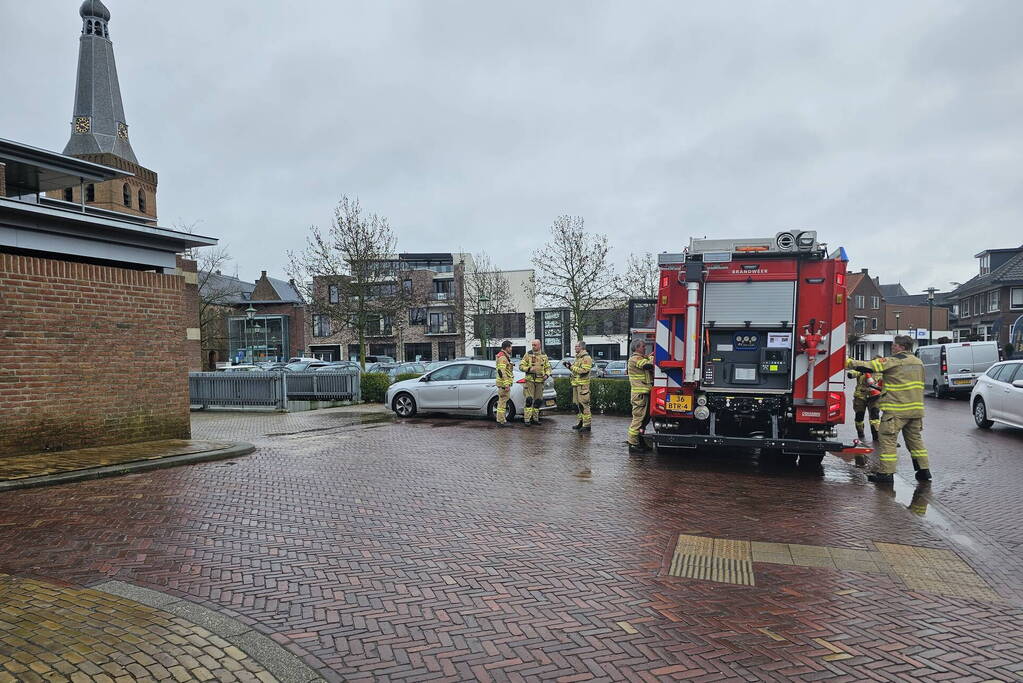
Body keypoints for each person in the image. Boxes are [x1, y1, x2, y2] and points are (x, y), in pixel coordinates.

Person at [846, 335, 931, 484]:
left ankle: (886, 474)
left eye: (894, 345)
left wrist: (846, 362)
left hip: (896, 410)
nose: (892, 347)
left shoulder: (894, 361)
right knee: (916, 442)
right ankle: (924, 471)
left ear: (901, 347)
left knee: (887, 440)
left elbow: (869, 366)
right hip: (916, 411)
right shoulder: (919, 363)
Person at [627, 339, 654, 453]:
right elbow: (647, 366)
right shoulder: (634, 359)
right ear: (637, 348)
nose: (645, 348)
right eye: (643, 346)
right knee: (638, 419)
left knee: (644, 420)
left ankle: (640, 441)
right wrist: (653, 358)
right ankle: (633, 444)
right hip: (639, 396)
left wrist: (649, 356)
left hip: (645, 394)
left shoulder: (641, 358)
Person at [518, 339, 551, 425]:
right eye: (532, 345)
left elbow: (548, 368)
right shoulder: (528, 354)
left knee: (538, 401)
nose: (533, 346)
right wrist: (528, 369)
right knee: (529, 400)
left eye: (535, 345)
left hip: (540, 381)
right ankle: (527, 419)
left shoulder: (544, 355)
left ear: (539, 345)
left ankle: (535, 419)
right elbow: (521, 366)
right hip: (530, 380)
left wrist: (546, 375)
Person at [848, 359, 882, 442]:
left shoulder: (880, 372)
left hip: (874, 397)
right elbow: (851, 374)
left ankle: (876, 436)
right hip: (860, 397)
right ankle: (860, 433)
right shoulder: (862, 370)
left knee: (875, 416)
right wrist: (860, 371)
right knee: (859, 416)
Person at [566, 341, 594, 432]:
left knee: (584, 405)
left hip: (582, 386)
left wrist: (572, 367)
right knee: (576, 405)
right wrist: (569, 366)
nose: (575, 348)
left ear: (582, 347)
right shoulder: (577, 358)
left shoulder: (586, 358)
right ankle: (580, 422)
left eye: (577, 346)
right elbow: (575, 370)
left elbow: (584, 370)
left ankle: (587, 425)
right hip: (576, 385)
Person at [495, 340, 515, 426]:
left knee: (502, 403)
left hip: (502, 384)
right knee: (502, 403)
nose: (511, 349)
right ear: (507, 348)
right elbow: (502, 371)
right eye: (510, 347)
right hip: (503, 385)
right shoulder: (503, 357)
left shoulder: (503, 356)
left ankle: (501, 420)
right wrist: (506, 384)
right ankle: (501, 421)